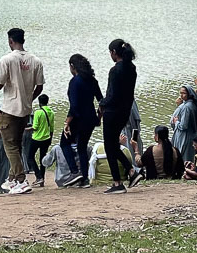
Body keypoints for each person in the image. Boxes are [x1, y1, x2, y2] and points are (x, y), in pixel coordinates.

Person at [0, 28, 45, 195]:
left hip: (9, 109)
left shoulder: (7, 60)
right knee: (17, 144)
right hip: (25, 110)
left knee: (10, 146)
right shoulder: (35, 60)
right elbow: (40, 87)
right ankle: (12, 179)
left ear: (10, 41)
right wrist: (28, 99)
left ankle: (21, 180)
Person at [100, 38, 141, 193]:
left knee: (110, 147)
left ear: (114, 53)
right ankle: (131, 172)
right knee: (113, 145)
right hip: (125, 112)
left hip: (112, 112)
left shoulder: (115, 70)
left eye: (110, 52)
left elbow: (111, 95)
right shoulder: (132, 68)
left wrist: (101, 104)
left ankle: (117, 183)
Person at [62, 53, 102, 187]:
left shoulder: (75, 82)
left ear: (72, 66)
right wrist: (99, 117)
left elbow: (74, 106)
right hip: (90, 119)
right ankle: (84, 179)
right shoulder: (92, 80)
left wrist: (67, 122)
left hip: (78, 119)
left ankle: (75, 171)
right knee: (82, 147)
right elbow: (101, 101)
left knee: (64, 143)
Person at [24, 93, 55, 185]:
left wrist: (25, 129)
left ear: (39, 102)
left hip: (37, 138)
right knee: (42, 159)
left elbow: (35, 127)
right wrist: (50, 139)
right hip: (46, 138)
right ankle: (42, 180)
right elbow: (52, 127)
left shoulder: (38, 112)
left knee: (30, 157)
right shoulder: (51, 112)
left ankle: (38, 176)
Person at [170, 84, 197, 161]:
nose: (181, 95)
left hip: (185, 137)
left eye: (184, 93)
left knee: (185, 158)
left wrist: (176, 122)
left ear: (189, 94)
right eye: (180, 93)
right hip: (187, 135)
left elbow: (183, 126)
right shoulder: (190, 104)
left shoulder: (187, 107)